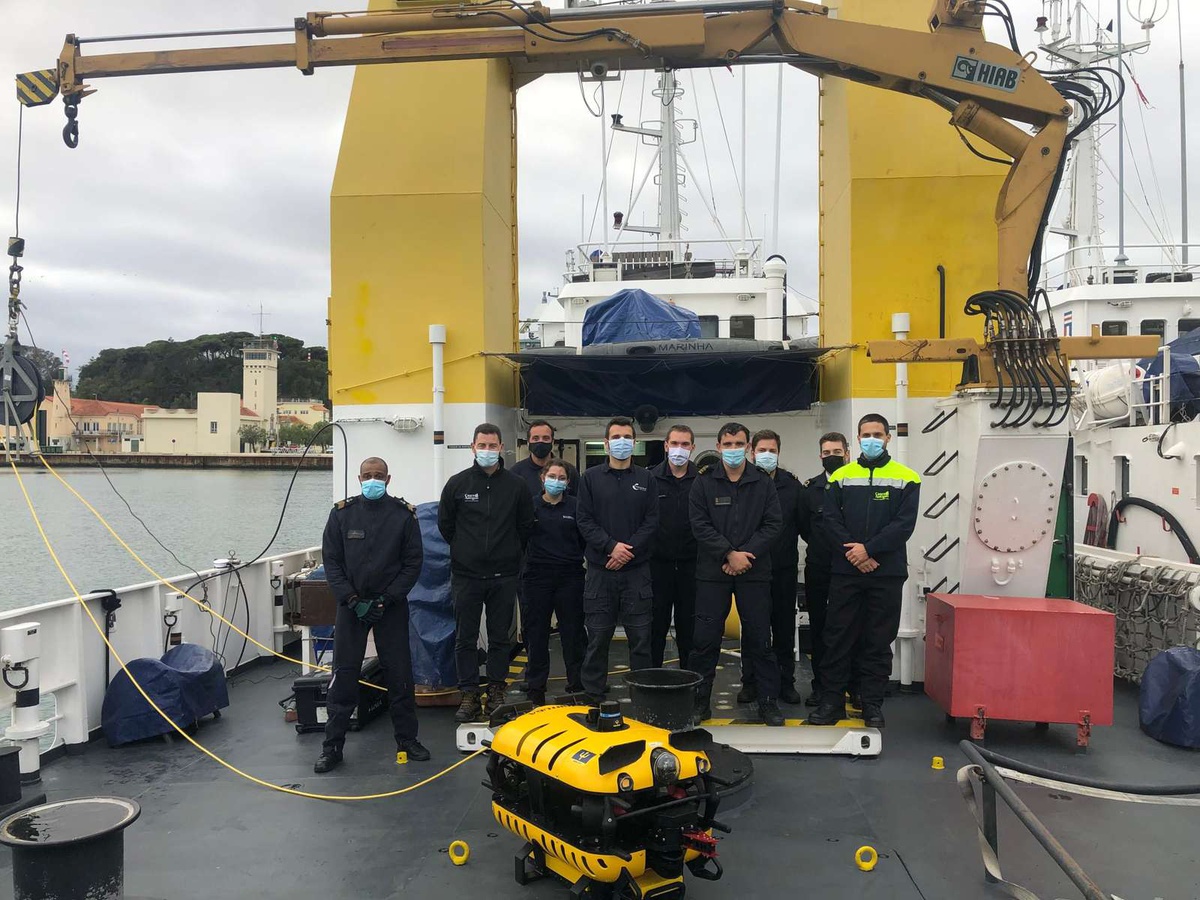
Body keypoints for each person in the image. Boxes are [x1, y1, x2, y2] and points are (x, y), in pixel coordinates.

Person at [314, 457, 428, 773]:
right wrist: (352, 600)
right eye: (368, 475)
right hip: (351, 608)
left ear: (388, 479)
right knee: (344, 675)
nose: (373, 479)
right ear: (359, 478)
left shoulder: (403, 516)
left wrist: (385, 599)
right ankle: (332, 747)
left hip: (389, 608)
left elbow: (412, 563)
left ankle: (408, 740)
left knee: (400, 675)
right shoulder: (341, 515)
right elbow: (332, 562)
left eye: (379, 475)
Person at [807, 414, 920, 729]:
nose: (871, 439)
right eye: (866, 434)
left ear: (887, 438)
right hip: (847, 571)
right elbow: (829, 520)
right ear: (857, 439)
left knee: (878, 640)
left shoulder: (908, 478)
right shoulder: (841, 476)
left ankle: (871, 704)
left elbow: (904, 525)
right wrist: (856, 552)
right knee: (837, 637)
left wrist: (869, 550)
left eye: (877, 434)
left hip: (886, 572)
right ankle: (832, 703)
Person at [689, 422, 785, 726]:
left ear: (748, 447)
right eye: (727, 444)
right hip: (712, 572)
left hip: (753, 572)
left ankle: (767, 702)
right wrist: (728, 554)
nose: (733, 449)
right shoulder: (703, 483)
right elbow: (699, 524)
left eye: (739, 444)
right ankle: (699, 703)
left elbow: (773, 524)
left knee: (759, 638)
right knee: (705, 640)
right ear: (718, 447)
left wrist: (744, 555)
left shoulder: (763, 483)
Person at [438, 424, 536, 722]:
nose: (487, 451)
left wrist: (508, 553)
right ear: (473, 447)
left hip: (503, 576)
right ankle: (469, 693)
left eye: (492, 445)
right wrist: (466, 551)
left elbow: (524, 527)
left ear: (501, 447)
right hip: (466, 576)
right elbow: (446, 526)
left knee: (499, 638)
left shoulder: (516, 486)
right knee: (465, 638)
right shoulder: (457, 484)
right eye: (483, 445)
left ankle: (496, 690)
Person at [576, 416, 659, 701]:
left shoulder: (646, 479)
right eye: (616, 437)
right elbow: (584, 520)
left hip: (637, 572)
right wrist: (611, 547)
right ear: (606, 443)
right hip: (601, 572)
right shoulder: (590, 478)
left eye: (627, 437)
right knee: (598, 637)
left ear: (634, 443)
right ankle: (593, 696)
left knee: (641, 639)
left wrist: (627, 551)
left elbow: (652, 521)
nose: (622, 442)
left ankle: (643, 696)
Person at [739, 429, 805, 706]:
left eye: (772, 450)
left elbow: (803, 526)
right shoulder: (743, 482)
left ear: (779, 452)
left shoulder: (793, 486)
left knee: (783, 626)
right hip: (751, 569)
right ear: (752, 452)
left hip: (782, 568)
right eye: (762, 450)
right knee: (753, 628)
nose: (767, 455)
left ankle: (785, 682)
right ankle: (751, 682)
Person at [520, 458, 587, 705]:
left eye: (561, 478)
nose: (556, 481)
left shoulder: (576, 507)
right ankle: (536, 687)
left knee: (573, 632)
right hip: (536, 577)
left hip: (570, 576)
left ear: (568, 482)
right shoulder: (530, 507)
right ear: (542, 478)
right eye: (552, 476)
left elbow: (584, 541)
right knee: (536, 633)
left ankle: (577, 684)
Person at [796, 432, 850, 707]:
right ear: (820, 456)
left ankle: (853, 686)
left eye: (837, 451)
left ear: (847, 453)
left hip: (852, 569)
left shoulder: (857, 484)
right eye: (827, 452)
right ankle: (821, 687)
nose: (832, 457)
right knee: (819, 628)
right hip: (819, 567)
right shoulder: (811, 489)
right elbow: (805, 528)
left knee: (849, 628)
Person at [649, 424, 699, 669]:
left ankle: (689, 681)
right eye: (675, 444)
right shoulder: (650, 479)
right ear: (666, 446)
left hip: (693, 566)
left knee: (689, 627)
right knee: (654, 626)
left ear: (692, 448)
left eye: (685, 444)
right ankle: (652, 680)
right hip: (657, 565)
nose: (679, 449)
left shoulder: (702, 481)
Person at [511, 420, 580, 497]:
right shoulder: (516, 472)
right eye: (535, 438)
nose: (540, 442)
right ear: (528, 443)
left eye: (546, 438)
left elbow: (578, 503)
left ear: (552, 442)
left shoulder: (569, 471)